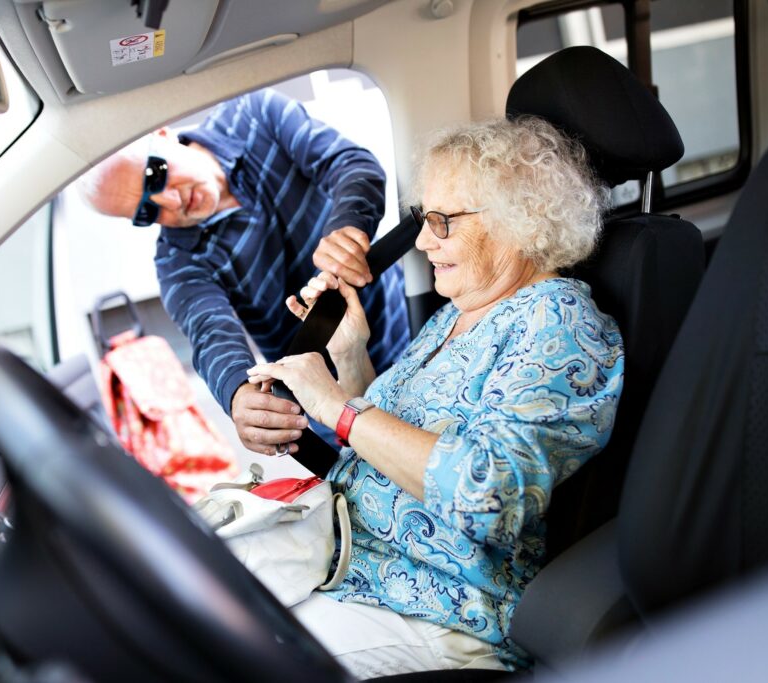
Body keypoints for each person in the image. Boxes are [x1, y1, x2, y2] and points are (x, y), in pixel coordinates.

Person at [247, 116, 625, 677]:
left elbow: (487, 494)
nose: (423, 240)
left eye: (442, 221)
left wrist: (334, 407)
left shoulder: (559, 322)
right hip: (351, 564)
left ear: (519, 221)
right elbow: (396, 435)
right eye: (425, 217)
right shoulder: (459, 311)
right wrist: (351, 354)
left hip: (440, 610)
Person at [80, 88, 410, 456]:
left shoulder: (256, 115)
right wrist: (238, 393)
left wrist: (347, 228)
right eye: (146, 212)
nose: (170, 202)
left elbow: (352, 165)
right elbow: (211, 334)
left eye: (155, 176)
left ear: (162, 132)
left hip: (409, 334)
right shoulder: (177, 261)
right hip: (334, 402)